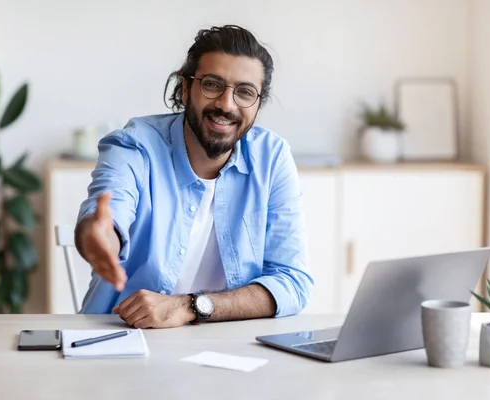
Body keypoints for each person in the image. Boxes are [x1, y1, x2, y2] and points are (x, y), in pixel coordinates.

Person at [74, 25, 313, 328]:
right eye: (212, 84)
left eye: (245, 92)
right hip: (123, 339)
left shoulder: (272, 158)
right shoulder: (134, 146)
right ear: (186, 89)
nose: (226, 104)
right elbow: (106, 217)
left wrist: (192, 307)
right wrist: (99, 238)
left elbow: (293, 282)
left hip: (227, 346)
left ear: (257, 105)